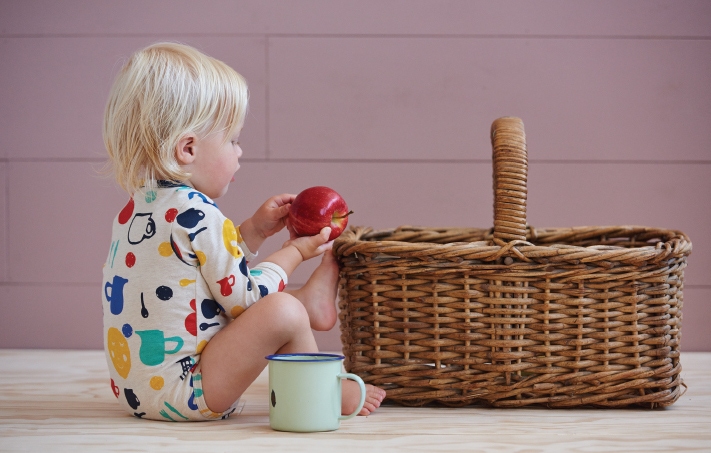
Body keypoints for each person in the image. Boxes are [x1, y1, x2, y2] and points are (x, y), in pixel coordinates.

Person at [101, 42, 385, 421]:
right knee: (279, 309)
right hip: (187, 390)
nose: (239, 152)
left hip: (138, 394)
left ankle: (308, 303)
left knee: (269, 305)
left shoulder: (136, 210)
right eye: (232, 140)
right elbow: (245, 300)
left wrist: (251, 230)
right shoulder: (198, 211)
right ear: (188, 148)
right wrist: (295, 253)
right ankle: (326, 388)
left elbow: (202, 277)